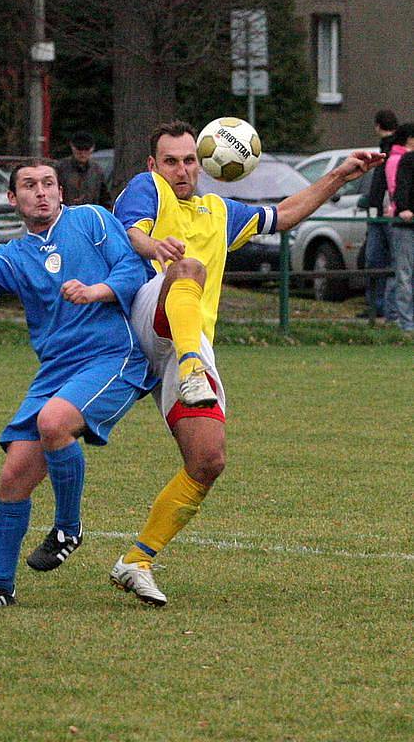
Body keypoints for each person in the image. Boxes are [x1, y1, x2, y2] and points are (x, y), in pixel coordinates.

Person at [108, 120, 385, 606]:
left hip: (189, 337)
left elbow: (282, 216)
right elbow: (132, 233)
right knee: (188, 268)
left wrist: (338, 177)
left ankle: (137, 560)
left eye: (189, 160)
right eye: (171, 161)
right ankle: (193, 366)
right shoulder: (145, 188)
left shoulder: (218, 211)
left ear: (203, 164)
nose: (181, 170)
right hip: (148, 310)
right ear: (154, 165)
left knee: (208, 460)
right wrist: (156, 247)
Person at [0, 158, 155, 608]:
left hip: (112, 356)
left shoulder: (93, 220)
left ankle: (68, 526)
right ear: (12, 199)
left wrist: (95, 291)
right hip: (56, 370)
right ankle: (2, 586)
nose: (41, 192)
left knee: (55, 421)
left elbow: (133, 268)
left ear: (61, 192)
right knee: (12, 477)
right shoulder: (15, 255)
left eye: (48, 184)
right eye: (29, 186)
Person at [360, 109, 397, 318]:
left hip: (382, 212)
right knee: (389, 260)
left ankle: (378, 306)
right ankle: (385, 308)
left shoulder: (387, 150)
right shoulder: (396, 149)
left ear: (377, 126)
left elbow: (383, 183)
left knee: (375, 259)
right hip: (383, 211)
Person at [386, 123, 414, 332]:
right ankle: (407, 325)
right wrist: (403, 208)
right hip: (405, 225)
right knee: (404, 275)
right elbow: (400, 187)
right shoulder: (407, 160)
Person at [56, 131, 111, 209]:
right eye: (79, 150)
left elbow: (105, 198)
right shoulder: (60, 168)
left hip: (90, 215)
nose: (83, 153)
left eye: (86, 150)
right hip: (65, 214)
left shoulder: (97, 171)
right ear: (72, 147)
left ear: (92, 149)